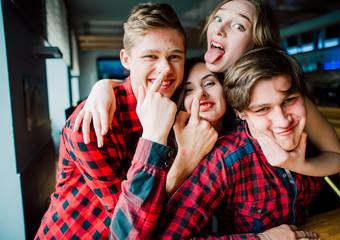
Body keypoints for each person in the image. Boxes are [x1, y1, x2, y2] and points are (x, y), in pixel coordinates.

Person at [76, 0, 340, 176]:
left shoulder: (283, 96)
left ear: (257, 41)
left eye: (239, 25)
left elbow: (339, 155)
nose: (221, 28)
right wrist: (104, 87)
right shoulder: (197, 93)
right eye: (218, 18)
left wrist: (298, 163)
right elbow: (152, 79)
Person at [34, 3, 217, 239]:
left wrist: (106, 84)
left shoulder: (181, 106)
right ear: (126, 59)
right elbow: (130, 229)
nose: (166, 68)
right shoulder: (92, 125)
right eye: (151, 56)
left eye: (175, 56)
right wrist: (182, 165)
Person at [111, 47, 324, 239]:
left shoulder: (262, 129)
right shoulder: (216, 155)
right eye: (189, 89)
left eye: (209, 83)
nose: (201, 93)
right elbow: (130, 234)